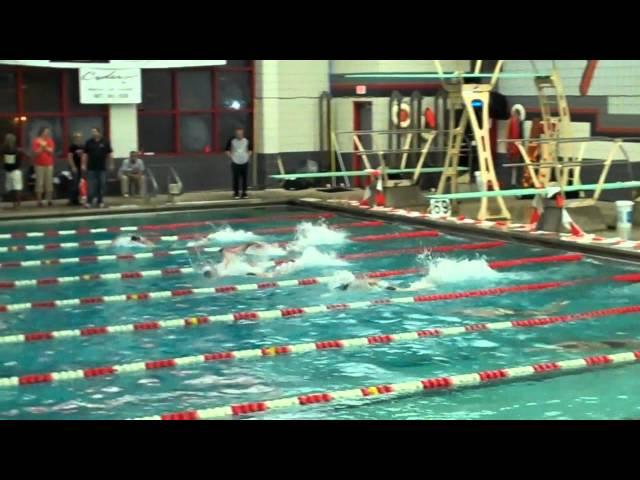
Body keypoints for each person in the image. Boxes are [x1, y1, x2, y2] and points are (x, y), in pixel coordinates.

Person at [82, 127, 114, 208]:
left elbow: (110, 154)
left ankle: (100, 201)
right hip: (91, 168)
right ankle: (89, 202)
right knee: (91, 186)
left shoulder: (105, 142)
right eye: (92, 132)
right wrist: (83, 164)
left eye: (94, 132)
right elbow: (85, 154)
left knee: (101, 185)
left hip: (101, 168)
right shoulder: (88, 142)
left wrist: (111, 164)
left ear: (99, 133)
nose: (93, 133)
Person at [225, 127, 252, 200]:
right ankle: (236, 193)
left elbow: (250, 150)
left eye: (240, 134)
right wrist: (232, 157)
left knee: (244, 178)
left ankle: (244, 193)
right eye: (238, 134)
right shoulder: (231, 140)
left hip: (244, 162)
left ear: (243, 134)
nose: (239, 135)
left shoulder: (247, 140)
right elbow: (226, 150)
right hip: (235, 162)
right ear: (235, 134)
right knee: (236, 178)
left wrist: (247, 157)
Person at [31, 127, 55, 207]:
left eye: (48, 132)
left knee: (49, 182)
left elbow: (51, 151)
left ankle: (49, 200)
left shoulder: (50, 140)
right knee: (39, 183)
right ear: (41, 132)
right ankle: (39, 201)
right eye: (45, 131)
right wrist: (42, 147)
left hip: (49, 164)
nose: (46, 133)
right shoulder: (36, 141)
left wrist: (44, 147)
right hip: (39, 165)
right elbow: (35, 153)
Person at [1, 133, 25, 208]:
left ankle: (15, 203)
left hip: (10, 170)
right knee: (16, 187)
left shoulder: (5, 150)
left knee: (12, 188)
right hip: (15, 170)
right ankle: (17, 203)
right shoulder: (15, 150)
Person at [67, 132, 84, 206]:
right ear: (75, 138)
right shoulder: (72, 147)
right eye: (77, 137)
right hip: (74, 167)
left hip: (80, 167)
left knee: (77, 184)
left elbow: (84, 157)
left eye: (80, 137)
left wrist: (83, 165)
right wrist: (73, 166)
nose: (79, 138)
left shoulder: (82, 147)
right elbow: (70, 157)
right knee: (73, 184)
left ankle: (76, 200)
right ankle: (71, 200)